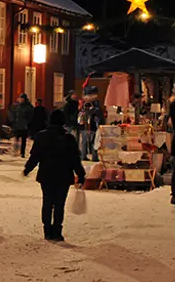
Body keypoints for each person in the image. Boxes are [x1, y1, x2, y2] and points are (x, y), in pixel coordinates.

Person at [24, 109, 85, 241]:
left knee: (47, 201)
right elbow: (75, 159)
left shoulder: (41, 136)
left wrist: (27, 169)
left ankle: (47, 230)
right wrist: (81, 175)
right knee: (59, 204)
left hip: (46, 174)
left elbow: (35, 156)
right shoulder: (69, 138)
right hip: (63, 176)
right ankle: (57, 230)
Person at [78, 87, 104, 161]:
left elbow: (80, 115)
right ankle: (94, 156)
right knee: (94, 141)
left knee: (84, 142)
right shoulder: (95, 104)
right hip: (92, 126)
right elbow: (99, 115)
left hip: (84, 126)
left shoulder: (83, 104)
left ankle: (83, 156)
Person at [9, 93, 35, 158]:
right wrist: (13, 121)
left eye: (22, 98)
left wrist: (28, 123)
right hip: (17, 125)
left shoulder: (28, 107)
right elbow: (12, 114)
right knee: (16, 138)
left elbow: (31, 116)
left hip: (24, 125)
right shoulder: (17, 106)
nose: (20, 100)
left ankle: (22, 153)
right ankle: (15, 151)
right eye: (20, 98)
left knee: (23, 140)